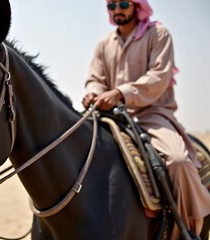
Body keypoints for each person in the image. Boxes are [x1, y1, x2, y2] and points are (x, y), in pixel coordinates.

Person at [81, 0, 210, 239]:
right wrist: (94, 92)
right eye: (111, 6)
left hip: (152, 115)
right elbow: (95, 78)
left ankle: (189, 231)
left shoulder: (158, 34)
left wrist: (121, 93)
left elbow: (158, 77)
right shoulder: (103, 45)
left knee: (178, 161)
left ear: (137, 6)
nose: (117, 10)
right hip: (111, 118)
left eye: (123, 4)